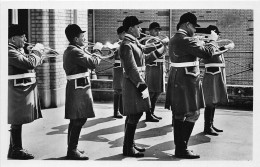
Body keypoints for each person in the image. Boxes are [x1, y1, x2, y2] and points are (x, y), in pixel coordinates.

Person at [165, 12, 222, 159]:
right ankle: (182, 148)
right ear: (187, 24)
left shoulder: (175, 38)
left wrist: (197, 41)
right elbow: (206, 53)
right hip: (187, 80)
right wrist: (213, 41)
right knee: (193, 113)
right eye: (194, 27)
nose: (195, 30)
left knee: (178, 115)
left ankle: (180, 148)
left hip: (178, 78)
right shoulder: (185, 39)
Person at [120, 16, 165, 157]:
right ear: (130, 28)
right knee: (135, 114)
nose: (141, 29)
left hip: (135, 83)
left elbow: (144, 58)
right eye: (138, 27)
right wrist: (141, 86)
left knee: (134, 114)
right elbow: (131, 69)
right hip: (133, 83)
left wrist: (160, 50)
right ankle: (128, 148)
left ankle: (130, 144)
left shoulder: (133, 43)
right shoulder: (127, 44)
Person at [63, 24, 103, 160]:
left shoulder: (74, 49)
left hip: (78, 87)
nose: (84, 38)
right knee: (79, 119)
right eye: (82, 36)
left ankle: (72, 148)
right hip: (78, 88)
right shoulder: (75, 51)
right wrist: (98, 51)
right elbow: (93, 63)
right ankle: (72, 150)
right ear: (75, 39)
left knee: (76, 119)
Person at [8, 24, 44, 159]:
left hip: (20, 89)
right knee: (16, 120)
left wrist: (36, 54)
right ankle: (16, 149)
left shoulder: (16, 50)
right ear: (12, 39)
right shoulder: (9, 51)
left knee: (17, 121)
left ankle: (14, 148)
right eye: (22, 37)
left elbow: (32, 62)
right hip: (15, 90)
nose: (25, 39)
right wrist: (37, 52)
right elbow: (29, 64)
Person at [202, 25, 234, 135]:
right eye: (217, 33)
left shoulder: (212, 45)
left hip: (216, 74)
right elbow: (212, 54)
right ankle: (207, 127)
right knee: (210, 102)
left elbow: (216, 50)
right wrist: (226, 48)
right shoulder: (207, 45)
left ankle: (210, 124)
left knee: (214, 102)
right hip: (212, 75)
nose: (218, 35)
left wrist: (225, 47)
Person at [143, 22, 169, 122]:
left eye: (158, 30)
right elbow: (149, 49)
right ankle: (148, 114)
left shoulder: (158, 40)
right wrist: (162, 43)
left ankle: (152, 112)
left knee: (158, 91)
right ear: (150, 31)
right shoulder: (147, 40)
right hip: (152, 68)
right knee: (151, 92)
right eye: (155, 30)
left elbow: (164, 52)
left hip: (160, 67)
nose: (157, 32)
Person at [112, 26, 125, 119]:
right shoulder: (116, 44)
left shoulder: (126, 43)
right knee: (117, 90)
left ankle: (122, 109)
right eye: (124, 33)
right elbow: (109, 57)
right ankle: (116, 111)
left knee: (123, 90)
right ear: (120, 34)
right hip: (118, 69)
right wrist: (112, 50)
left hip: (124, 69)